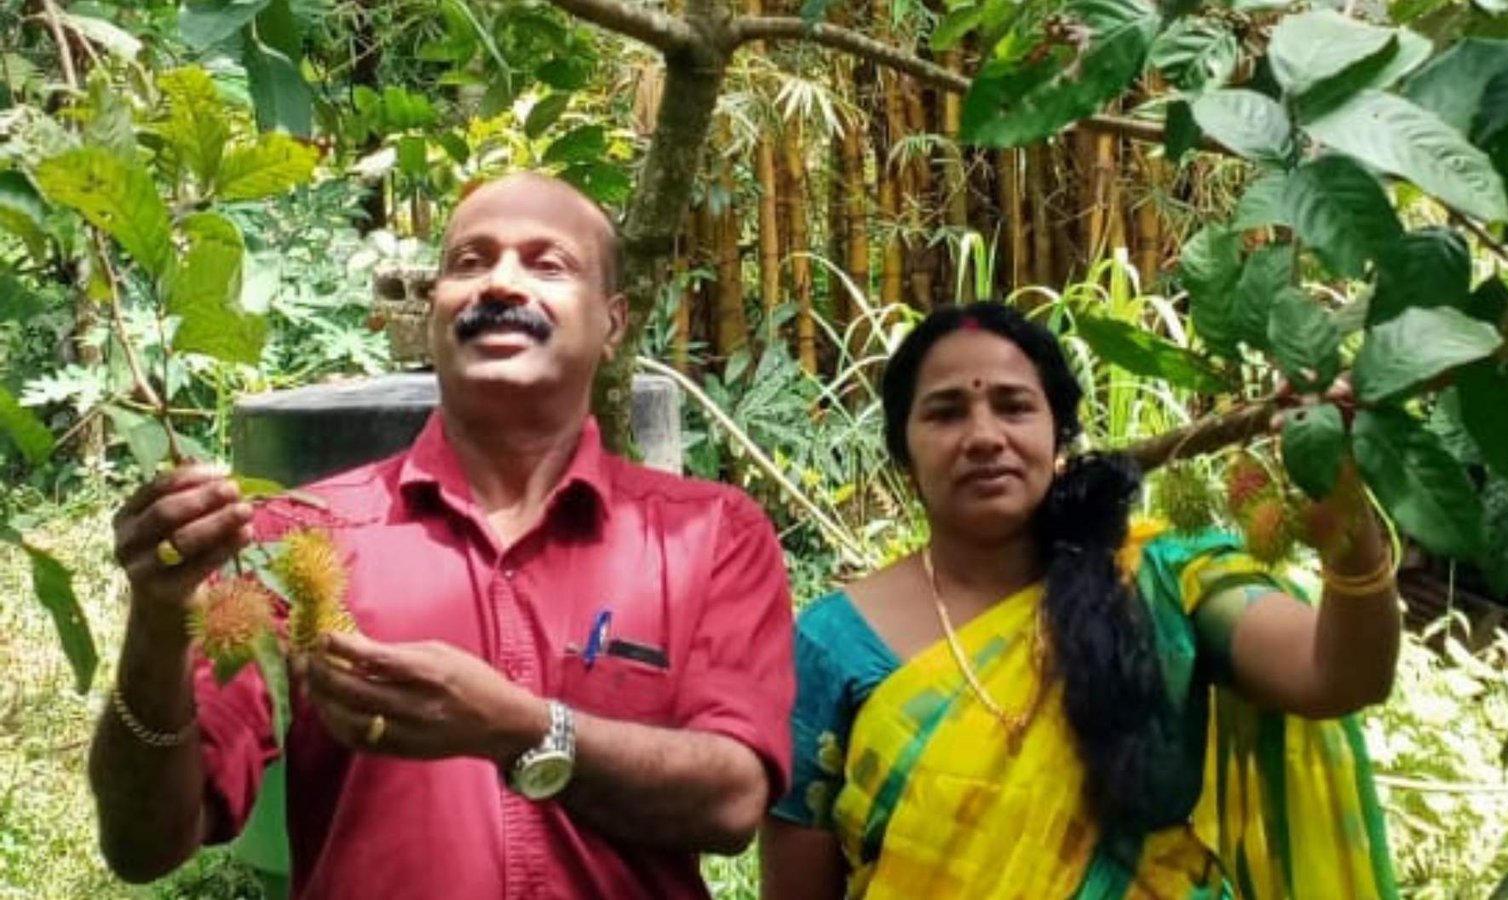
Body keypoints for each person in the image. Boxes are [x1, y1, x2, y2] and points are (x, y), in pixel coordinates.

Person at [90, 172, 796, 899]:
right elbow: (145, 845)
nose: (501, 284)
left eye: (547, 264)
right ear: (432, 314)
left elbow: (733, 801)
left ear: (613, 323)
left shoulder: (708, 534)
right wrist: (156, 618)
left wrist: (516, 729)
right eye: (469, 262)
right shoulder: (297, 536)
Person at [760, 302, 1401, 899]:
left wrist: (1338, 495)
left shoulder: (1160, 584)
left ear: (1059, 437)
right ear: (904, 453)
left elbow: (1342, 675)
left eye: (1014, 407)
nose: (983, 436)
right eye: (946, 412)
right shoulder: (831, 646)